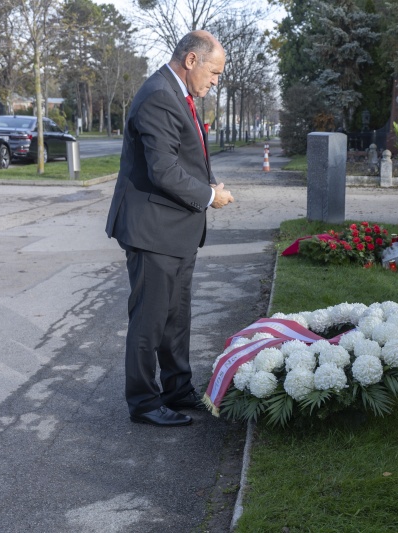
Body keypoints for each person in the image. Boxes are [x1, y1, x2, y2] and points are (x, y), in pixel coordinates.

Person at [105, 30, 234, 427]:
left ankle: (177, 389)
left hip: (175, 230)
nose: (216, 81)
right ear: (192, 60)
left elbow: (182, 159)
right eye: (214, 72)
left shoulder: (178, 94)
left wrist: (206, 187)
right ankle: (144, 402)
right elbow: (163, 170)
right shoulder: (159, 94)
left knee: (176, 318)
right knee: (150, 319)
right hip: (152, 231)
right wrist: (210, 197)